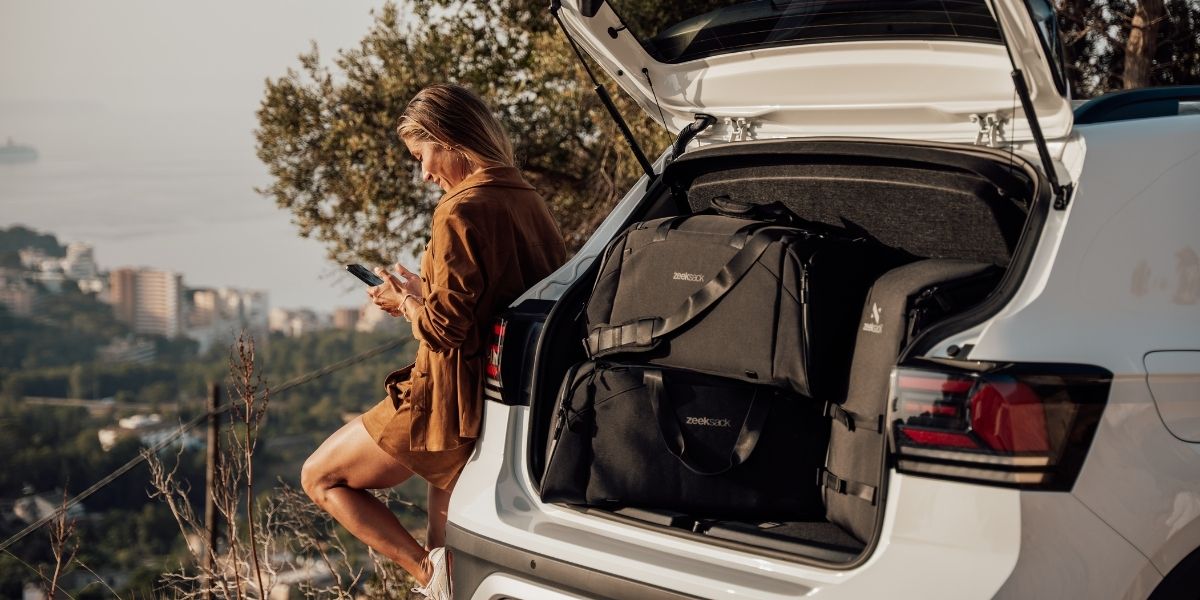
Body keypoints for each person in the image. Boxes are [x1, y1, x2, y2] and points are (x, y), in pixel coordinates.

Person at [301, 83, 567, 600]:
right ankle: (444, 578)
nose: (424, 173)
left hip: (446, 401)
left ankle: (428, 576)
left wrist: (402, 303)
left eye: (421, 155)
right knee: (452, 548)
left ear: (449, 139)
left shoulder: (459, 209)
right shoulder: (527, 199)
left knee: (320, 477)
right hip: (504, 398)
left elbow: (445, 331)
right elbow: (500, 297)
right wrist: (424, 290)